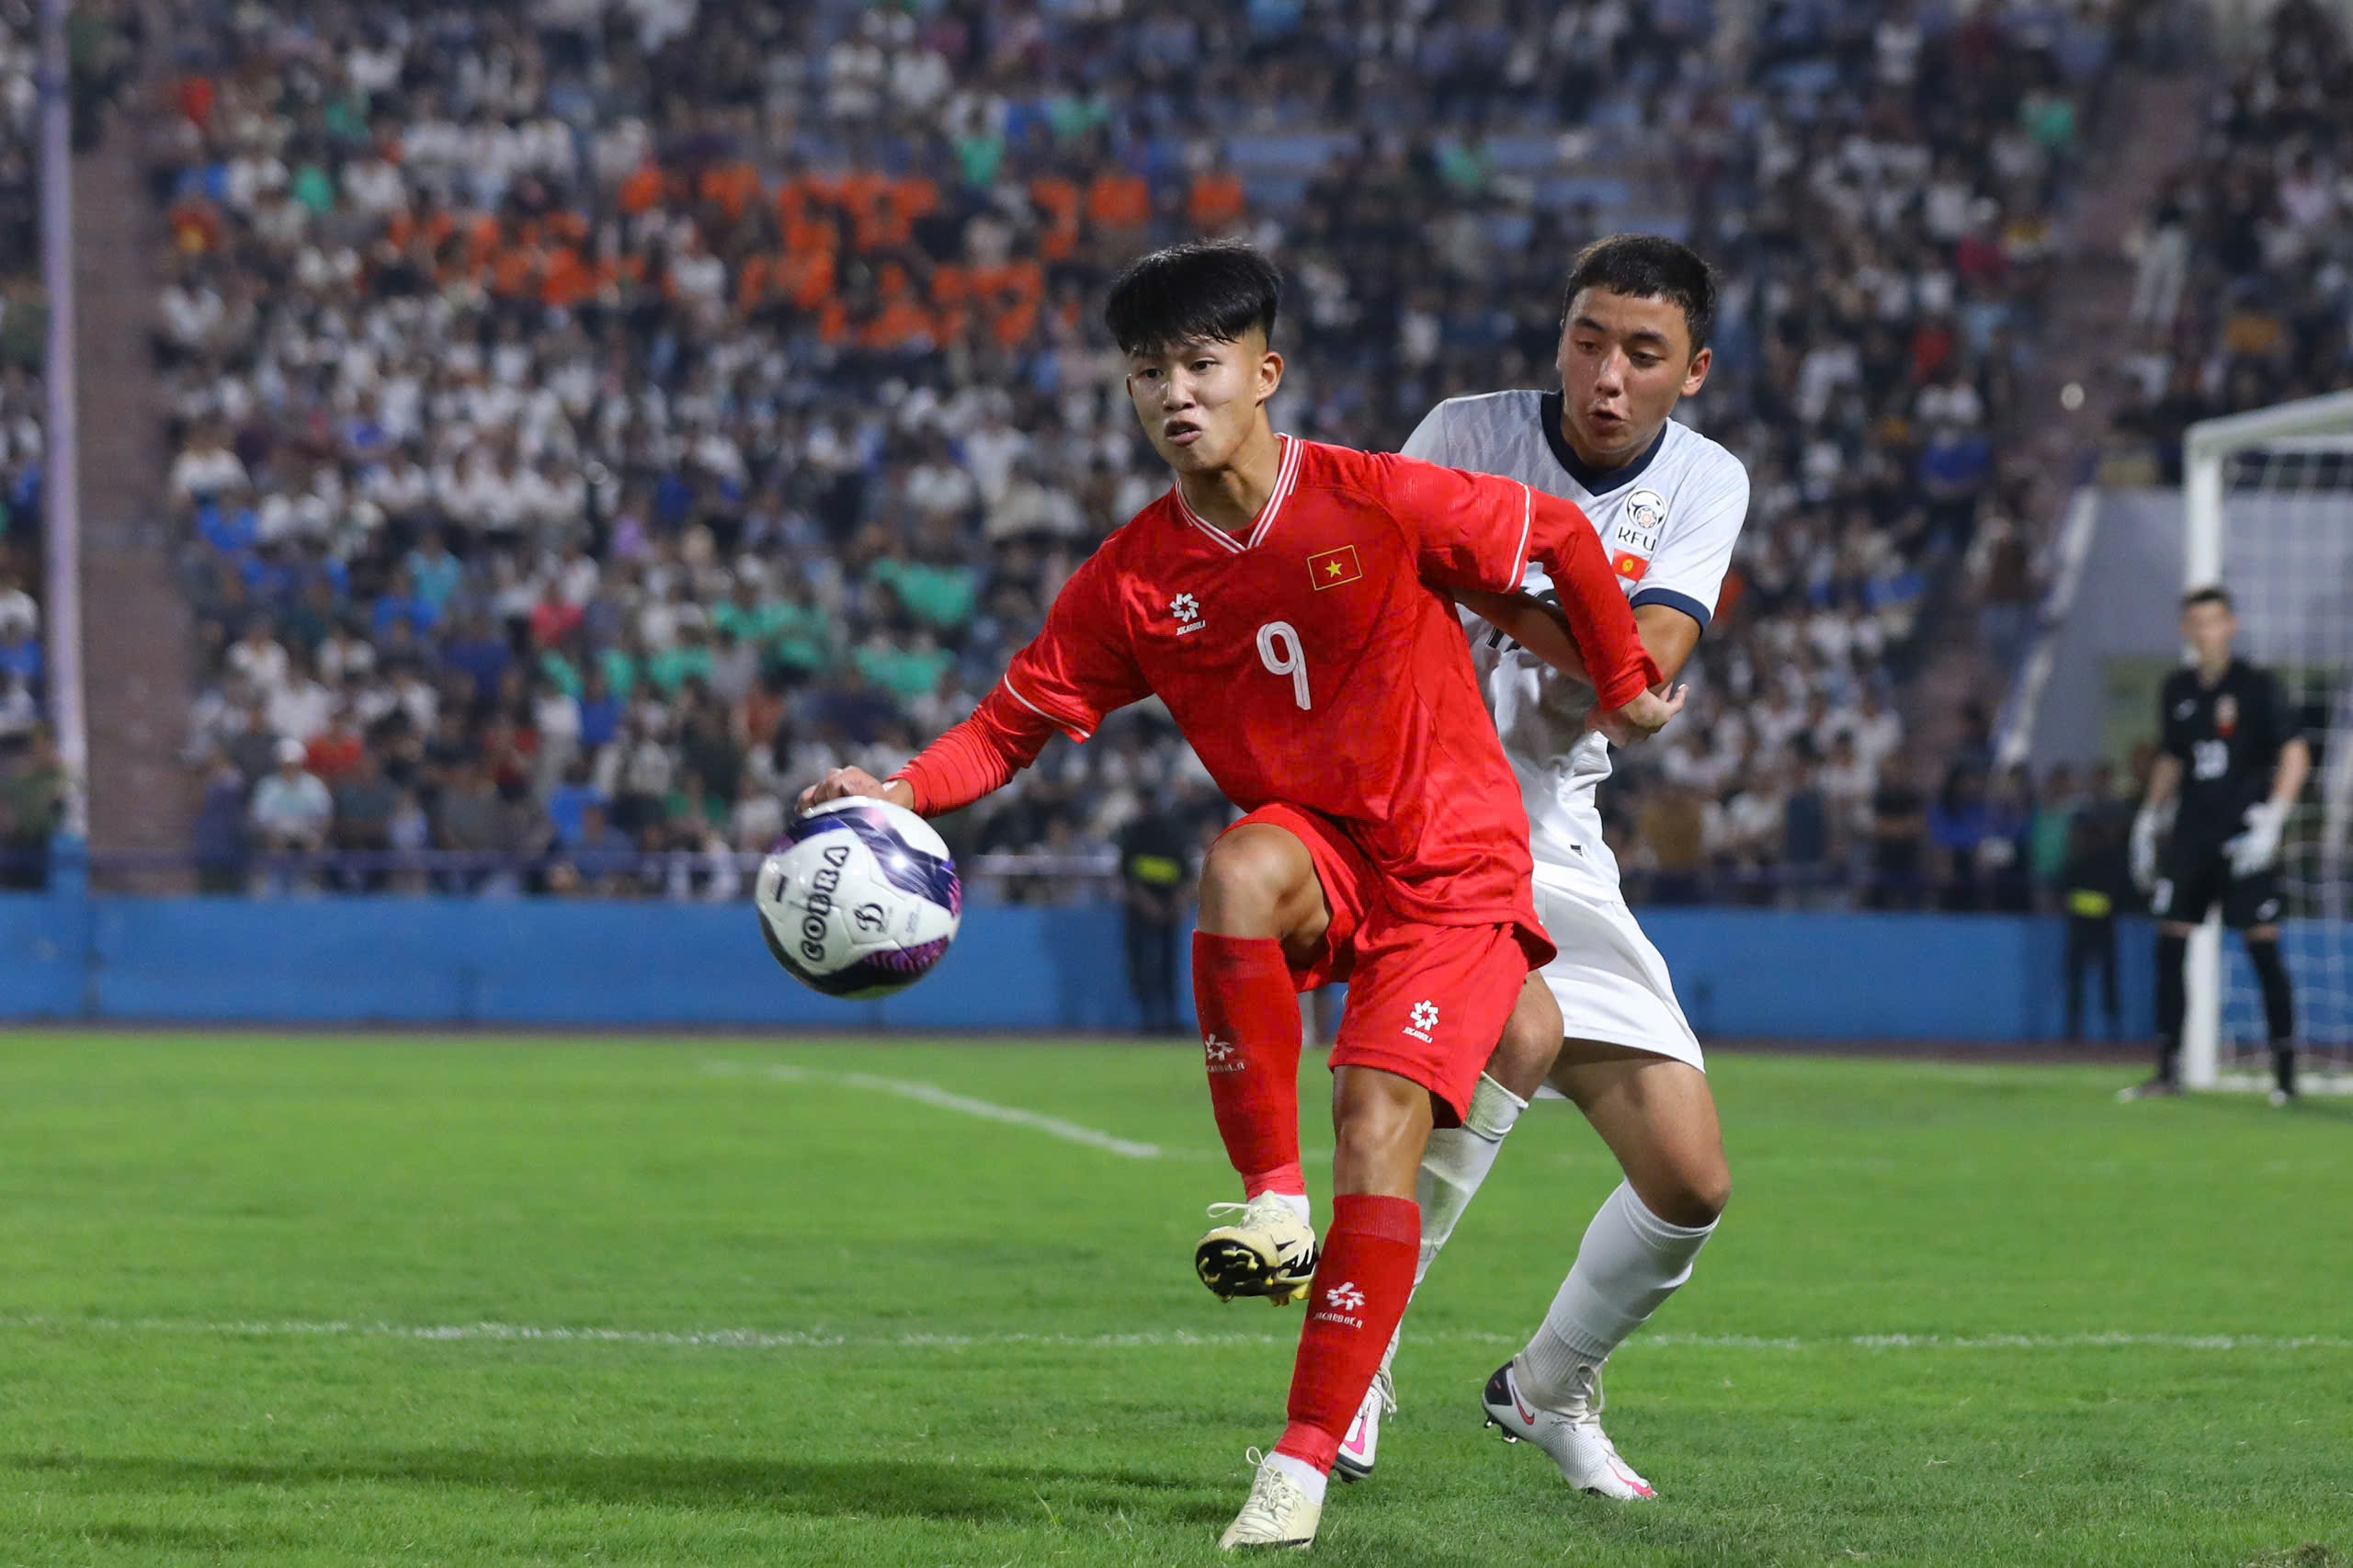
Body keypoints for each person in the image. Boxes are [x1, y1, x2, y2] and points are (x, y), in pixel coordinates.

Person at [800, 241, 1680, 1551]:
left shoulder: (1372, 497)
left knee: (1379, 1115)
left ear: (1264, 374)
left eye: (1203, 365)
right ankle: (1272, 1197)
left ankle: (1304, 1458)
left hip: (1449, 862)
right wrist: (902, 794)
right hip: (1320, 850)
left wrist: (1628, 680)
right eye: (1149, 372)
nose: (1176, 393)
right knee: (1236, 864)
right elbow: (1009, 726)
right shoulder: (1135, 579)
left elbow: (1552, 528)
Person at [1344, 234, 1747, 1498]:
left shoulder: (1705, 479)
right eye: (1589, 340)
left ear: (1694, 372)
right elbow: (1380, 595)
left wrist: (1576, 640)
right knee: (1502, 1029)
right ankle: (1357, 1357)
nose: (1608, 375)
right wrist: (1591, 644)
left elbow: (1647, 660)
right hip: (1428, 813)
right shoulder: (1464, 433)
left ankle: (1544, 1385)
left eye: (1643, 353)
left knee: (1690, 1180)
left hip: (1561, 836)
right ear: (1560, 336)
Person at [2124, 586, 2311, 1104]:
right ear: (2186, 630)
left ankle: (2286, 1076)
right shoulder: (2177, 688)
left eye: (2214, 621)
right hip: (2192, 838)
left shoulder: (2257, 686)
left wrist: (2273, 818)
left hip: (2244, 837)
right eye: (2196, 623)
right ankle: (2167, 1069)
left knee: (2263, 949)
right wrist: (2149, 817)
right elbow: (2171, 758)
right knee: (2170, 945)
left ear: (2232, 625)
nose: (2205, 632)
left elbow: (2295, 754)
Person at [1118, 794, 1194, 1035]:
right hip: (1145, 913)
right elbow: (1128, 878)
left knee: (1163, 969)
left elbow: (1184, 875)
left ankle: (1164, 1019)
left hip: (1162, 912)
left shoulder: (1165, 834)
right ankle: (1152, 1020)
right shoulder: (1136, 834)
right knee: (1148, 968)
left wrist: (1174, 904)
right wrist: (1151, 904)